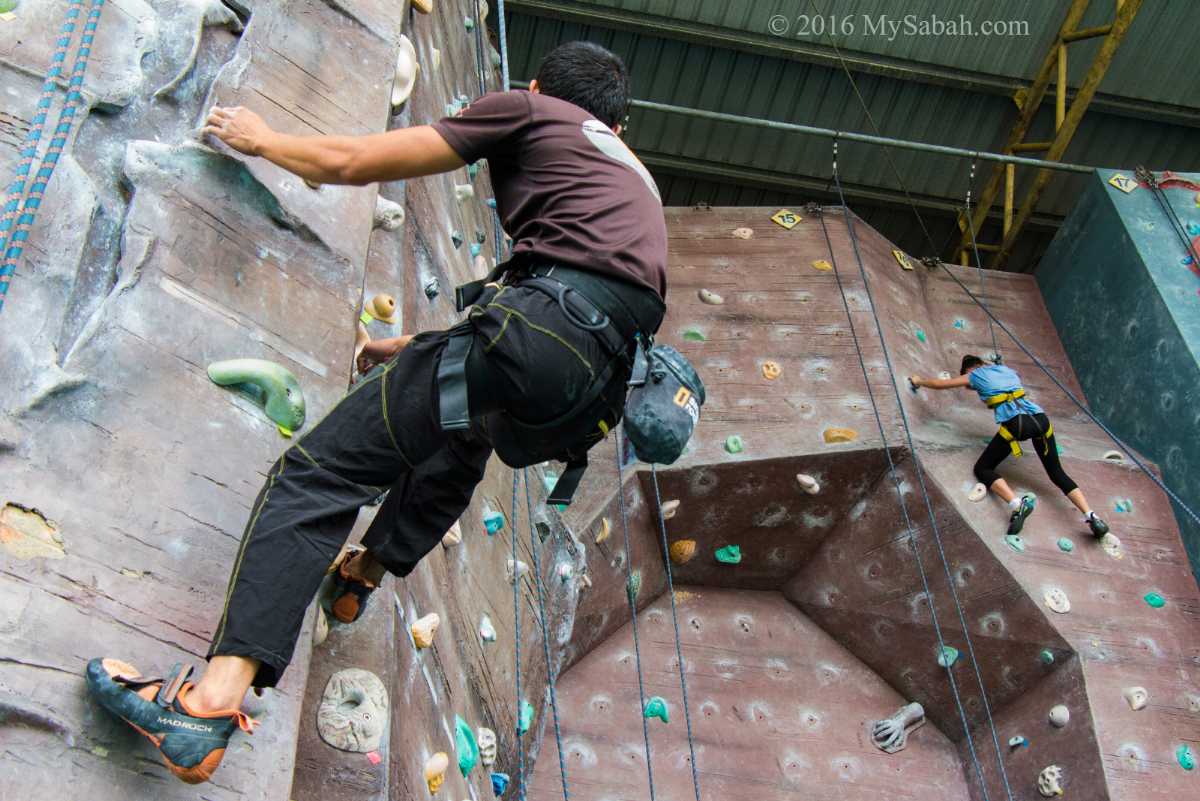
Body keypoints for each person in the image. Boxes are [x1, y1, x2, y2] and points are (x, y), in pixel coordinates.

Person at [85, 41, 667, 785]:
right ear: (620, 126)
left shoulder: (530, 110)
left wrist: (263, 139)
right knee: (459, 426)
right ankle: (362, 572)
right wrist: (397, 348)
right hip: (582, 389)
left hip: (535, 334)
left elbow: (355, 161)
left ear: (536, 87)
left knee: (317, 474)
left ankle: (206, 704)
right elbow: (548, 308)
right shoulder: (632, 181)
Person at [910, 355, 1109, 539]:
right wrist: (997, 365)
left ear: (969, 370)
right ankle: (1092, 516)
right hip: (1041, 420)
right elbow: (1003, 381)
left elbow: (940, 384)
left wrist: (919, 381)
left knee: (983, 468)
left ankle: (1017, 504)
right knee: (1057, 473)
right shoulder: (1006, 370)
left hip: (1017, 425)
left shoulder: (974, 375)